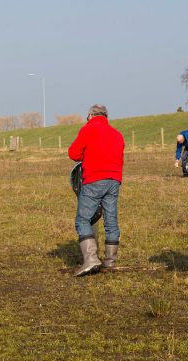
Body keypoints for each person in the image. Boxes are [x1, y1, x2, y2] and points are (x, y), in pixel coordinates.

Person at [68, 104, 125, 276]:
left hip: (94, 179)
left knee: (83, 219)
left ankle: (91, 259)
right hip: (114, 180)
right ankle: (110, 261)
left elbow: (73, 153)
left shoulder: (88, 129)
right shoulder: (117, 134)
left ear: (91, 115)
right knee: (111, 220)